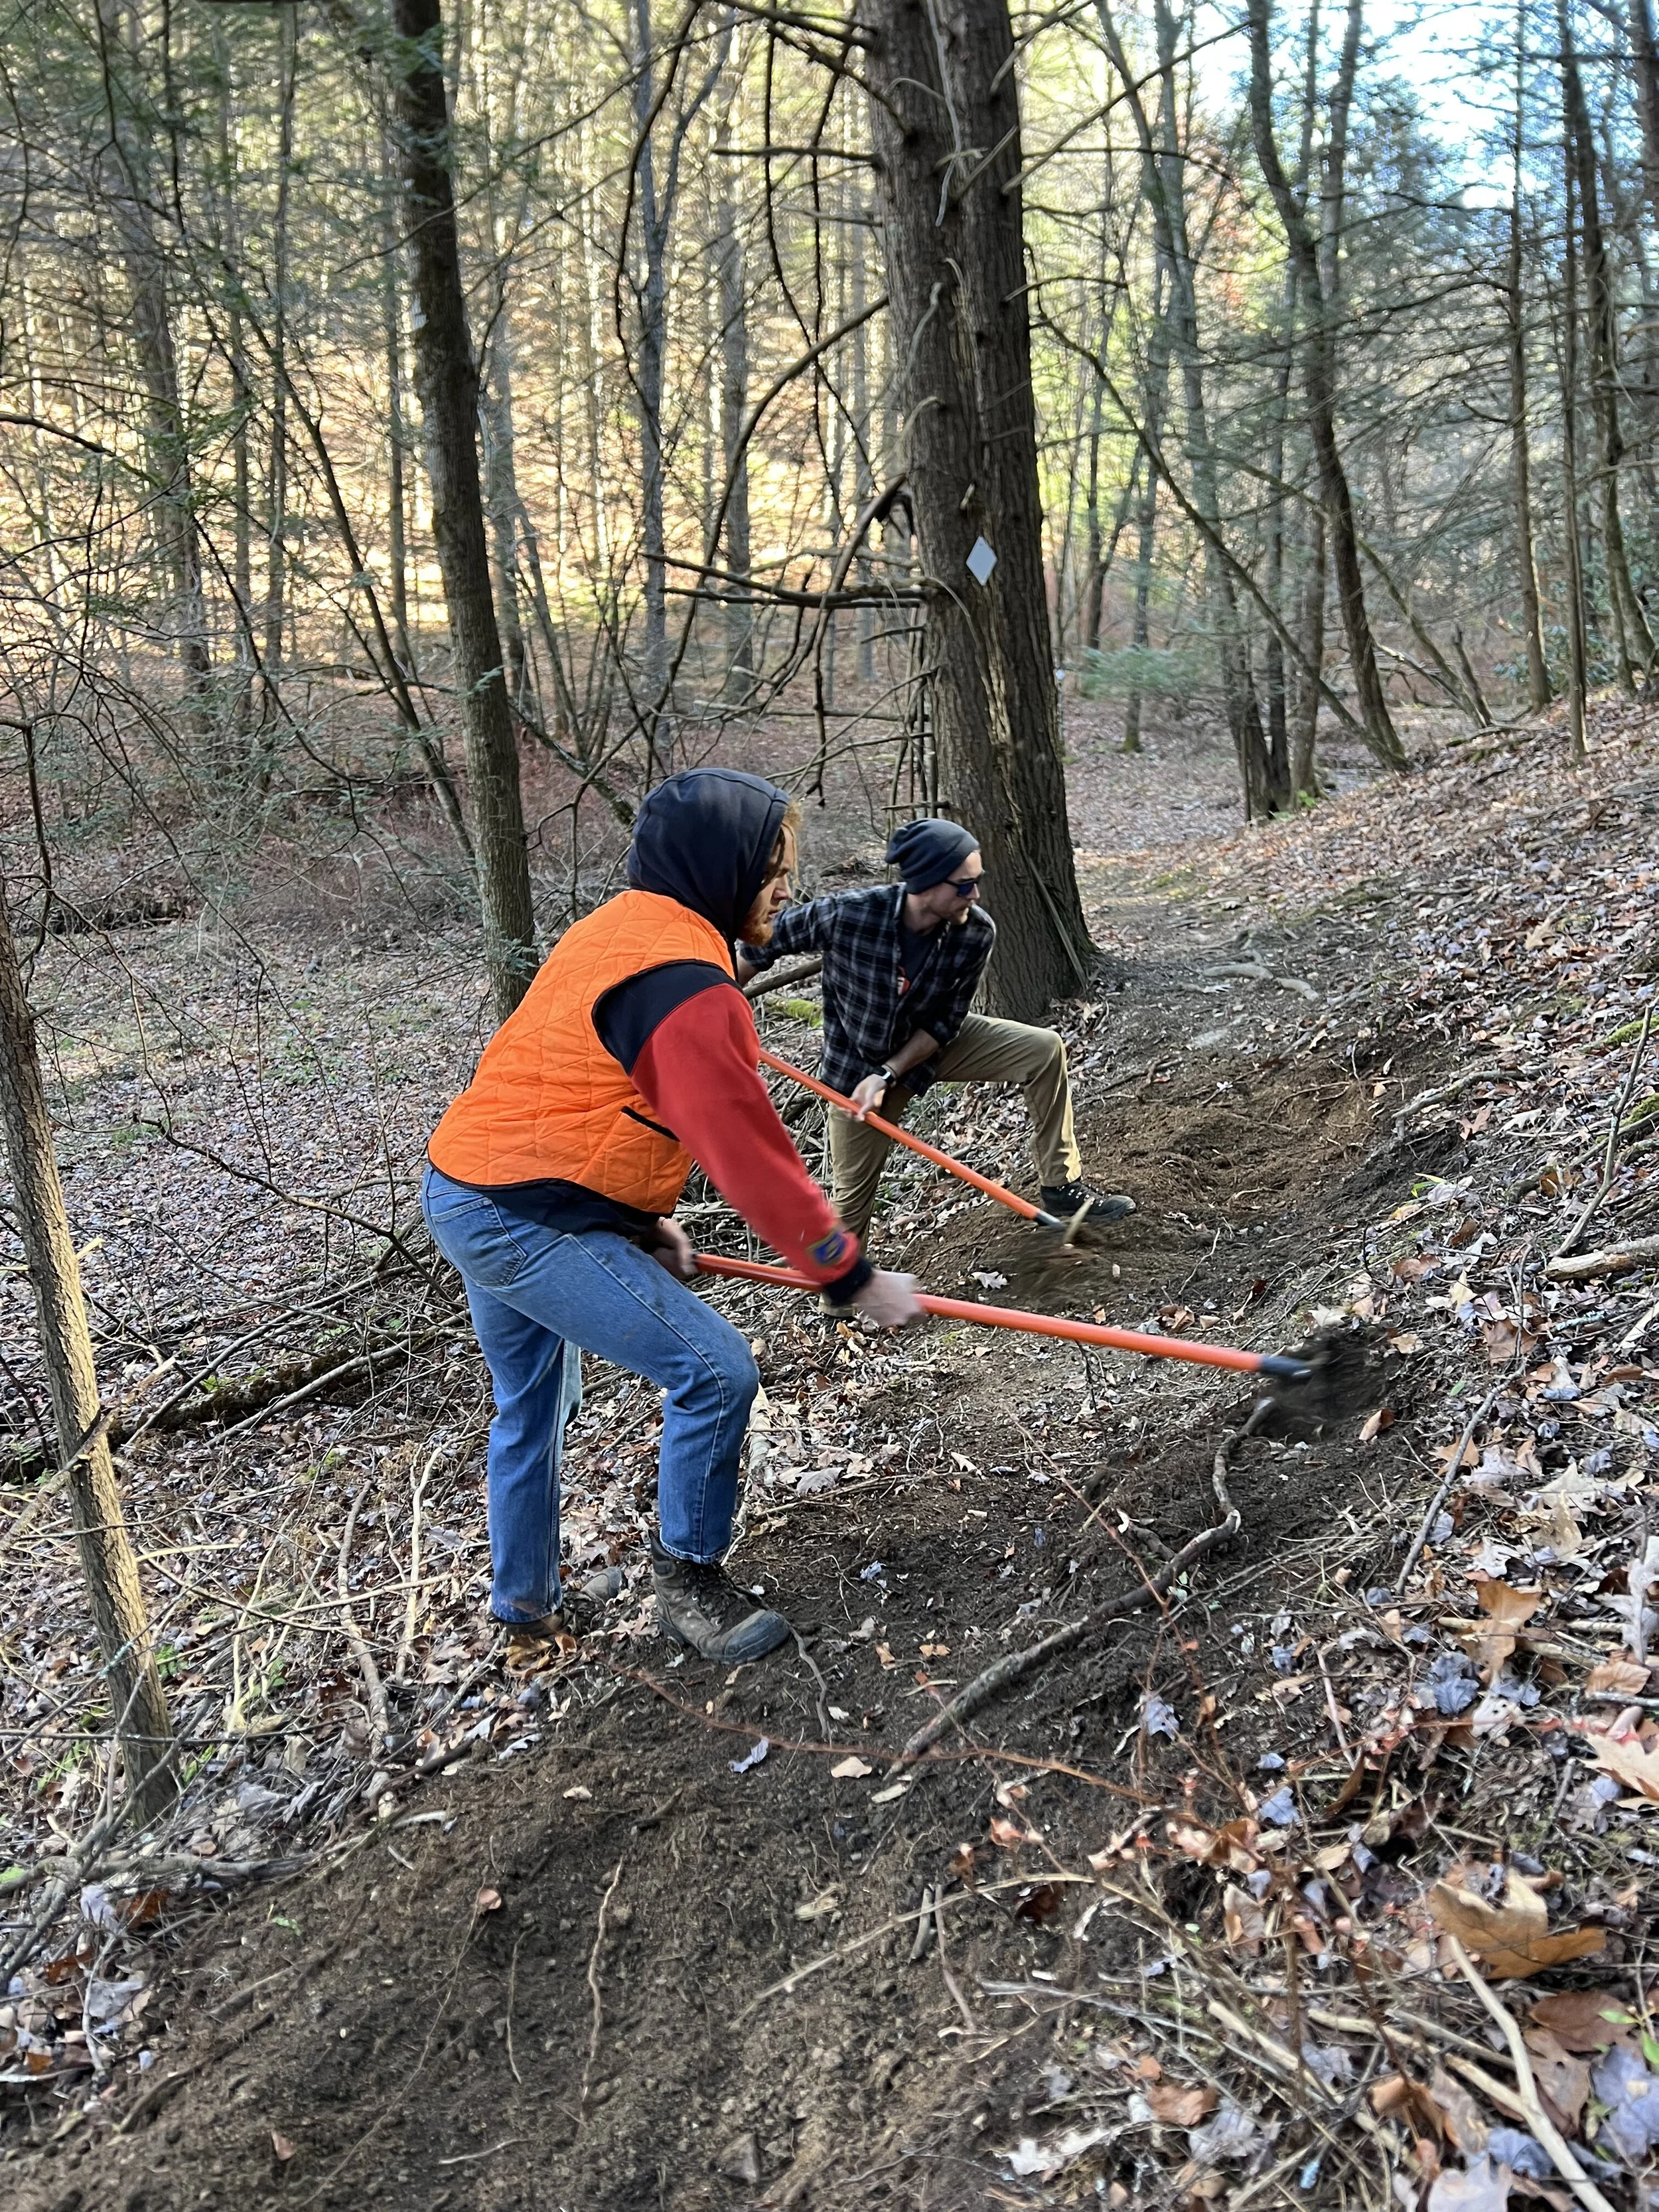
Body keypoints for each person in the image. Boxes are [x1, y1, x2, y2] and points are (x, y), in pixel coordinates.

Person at [421, 769, 922, 1665]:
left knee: (531, 1405)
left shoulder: (620, 932)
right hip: (518, 1214)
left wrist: (640, 1221)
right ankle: (688, 1578)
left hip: (474, 1186)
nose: (786, 886)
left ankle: (525, 1609)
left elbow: (578, 1092)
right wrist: (849, 1274)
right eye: (773, 865)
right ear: (718, 865)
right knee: (716, 1372)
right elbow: (751, 1157)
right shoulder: (686, 984)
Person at [737, 818, 1135, 1244]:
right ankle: (839, 1301)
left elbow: (945, 1022)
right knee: (850, 1207)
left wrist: (889, 1073)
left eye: (977, 881)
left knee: (1043, 1049)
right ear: (926, 884)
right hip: (856, 1076)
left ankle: (1061, 1188)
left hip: (927, 1048)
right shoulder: (849, 915)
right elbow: (763, 941)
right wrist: (719, 998)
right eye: (964, 885)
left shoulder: (976, 932)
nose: (976, 894)